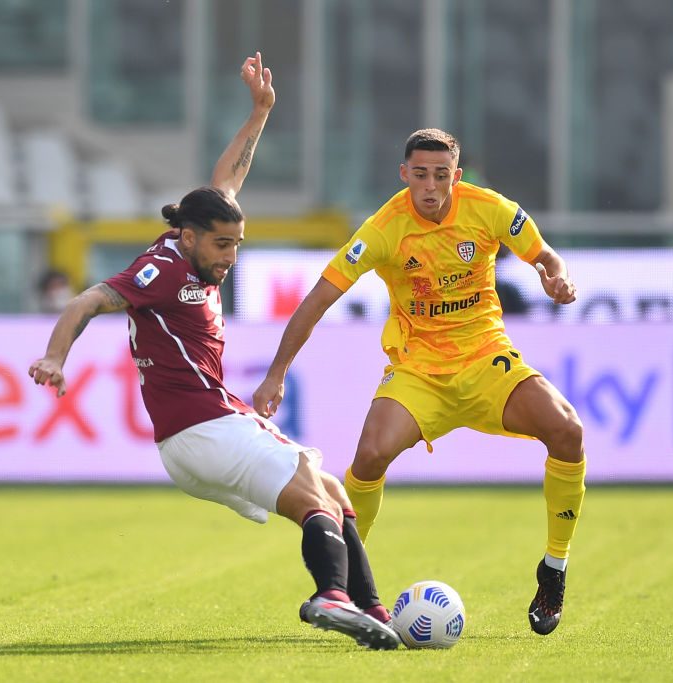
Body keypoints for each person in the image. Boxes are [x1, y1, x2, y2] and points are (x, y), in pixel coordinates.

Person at [28, 53, 399, 651]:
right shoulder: (161, 270)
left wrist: (260, 112)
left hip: (205, 428)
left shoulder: (198, 237)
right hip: (202, 428)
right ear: (190, 237)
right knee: (311, 489)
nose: (231, 256)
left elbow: (226, 181)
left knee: (330, 489)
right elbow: (87, 302)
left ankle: (371, 609)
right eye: (222, 245)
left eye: (237, 244)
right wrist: (55, 357)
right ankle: (331, 596)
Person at [253, 128, 585, 637]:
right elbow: (319, 298)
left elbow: (544, 255)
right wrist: (277, 372)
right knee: (369, 456)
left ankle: (554, 569)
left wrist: (555, 276)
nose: (430, 186)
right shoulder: (384, 229)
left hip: (485, 359)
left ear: (457, 175)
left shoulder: (490, 209)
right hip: (418, 372)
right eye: (421, 175)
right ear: (404, 174)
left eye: (441, 175)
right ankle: (346, 587)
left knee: (567, 431)